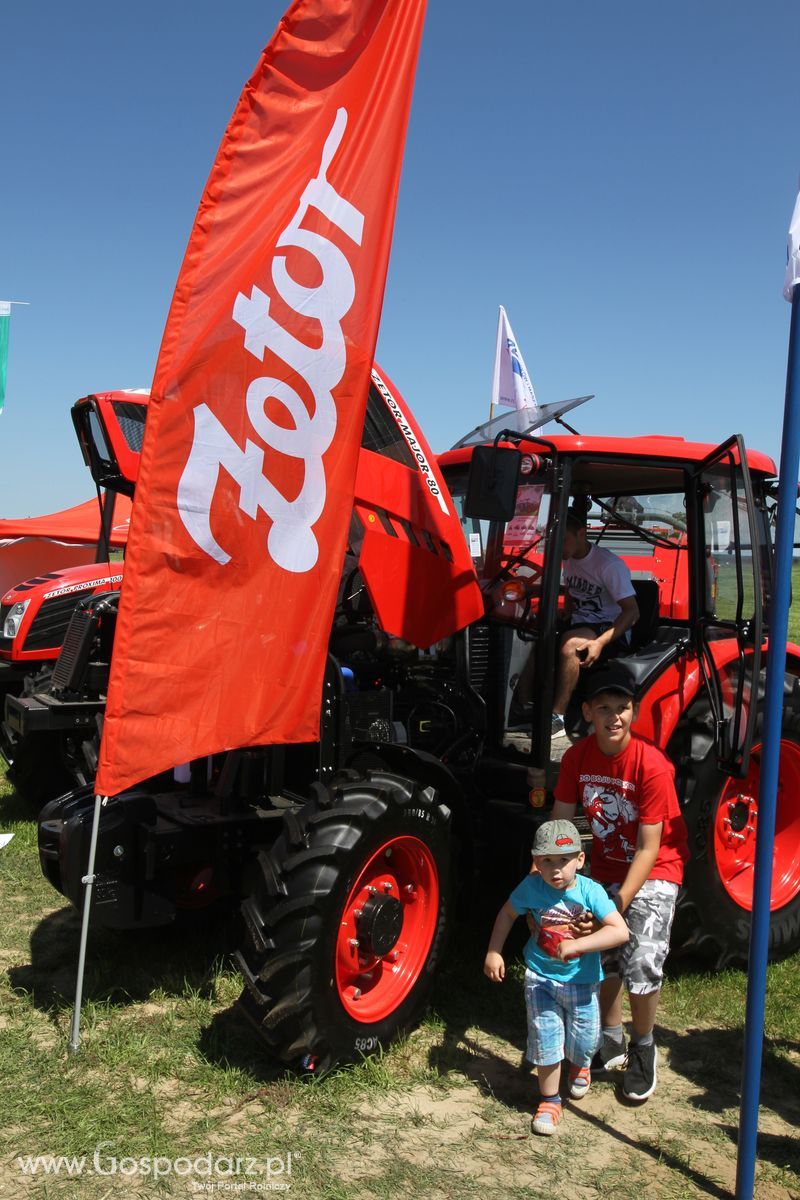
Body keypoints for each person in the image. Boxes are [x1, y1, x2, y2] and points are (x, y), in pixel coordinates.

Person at [551, 662, 689, 1101]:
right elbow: (560, 826)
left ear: (634, 711)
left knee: (642, 958)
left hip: (654, 871)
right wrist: (548, 880)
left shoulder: (652, 766)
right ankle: (609, 1035)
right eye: (605, 707)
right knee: (601, 954)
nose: (615, 717)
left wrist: (617, 903)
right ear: (588, 712)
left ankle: (644, 1046)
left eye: (623, 708)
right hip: (605, 869)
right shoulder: (576, 757)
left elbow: (650, 848)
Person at [484, 819, 629, 1136]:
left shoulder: (591, 892)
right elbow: (508, 913)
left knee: (586, 1041)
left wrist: (579, 944)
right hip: (540, 978)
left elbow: (620, 931)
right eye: (546, 861)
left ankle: (580, 1065)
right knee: (545, 1040)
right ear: (536, 862)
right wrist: (495, 950)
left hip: (582, 981)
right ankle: (550, 1100)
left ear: (580, 859)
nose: (556, 869)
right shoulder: (531, 888)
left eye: (564, 860)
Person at [551, 508, 639, 739]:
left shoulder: (608, 565)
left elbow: (632, 612)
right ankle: (522, 707)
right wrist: (566, 612)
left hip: (609, 627)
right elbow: (572, 588)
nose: (560, 546)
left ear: (582, 533)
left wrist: (599, 643)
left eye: (564, 539)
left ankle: (558, 718)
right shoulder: (569, 558)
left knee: (570, 647)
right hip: (582, 621)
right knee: (532, 634)